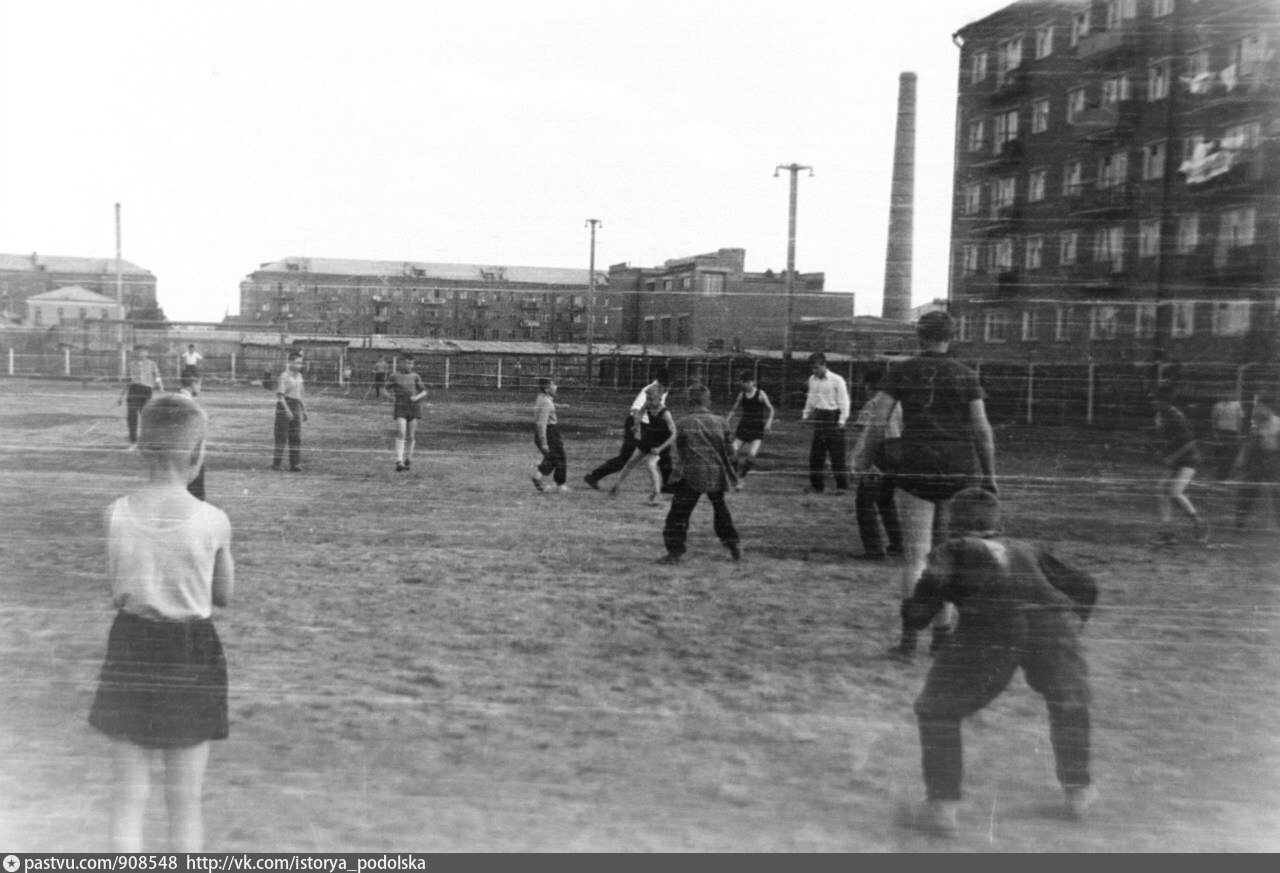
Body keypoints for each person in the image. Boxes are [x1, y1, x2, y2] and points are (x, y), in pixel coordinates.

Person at [904, 487, 1097, 837]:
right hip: (1051, 624)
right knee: (1068, 701)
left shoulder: (952, 549)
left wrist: (913, 601)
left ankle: (941, 809)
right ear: (998, 524)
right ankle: (1078, 794)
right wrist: (1072, 630)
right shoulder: (1026, 548)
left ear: (952, 524)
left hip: (990, 626)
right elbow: (1085, 585)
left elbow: (918, 616)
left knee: (937, 709)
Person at [88, 394, 235, 851]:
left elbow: (117, 589)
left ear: (141, 447)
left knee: (128, 797)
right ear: (198, 451)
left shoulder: (116, 513)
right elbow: (223, 595)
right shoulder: (214, 520)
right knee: (184, 800)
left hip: (131, 646)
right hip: (190, 654)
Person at [874, 311, 997, 659]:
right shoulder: (966, 374)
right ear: (951, 337)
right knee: (950, 558)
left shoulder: (902, 371)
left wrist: (863, 460)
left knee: (916, 558)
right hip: (958, 471)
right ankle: (943, 638)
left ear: (919, 336)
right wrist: (990, 476)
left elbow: (878, 422)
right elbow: (981, 429)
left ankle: (909, 642)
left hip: (916, 468)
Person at [658, 384, 741, 564]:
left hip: (693, 473)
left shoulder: (683, 423)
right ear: (708, 401)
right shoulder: (721, 422)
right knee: (720, 510)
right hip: (716, 473)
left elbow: (681, 451)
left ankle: (674, 552)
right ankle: (733, 544)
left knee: (678, 514)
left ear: (689, 401)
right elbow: (731, 453)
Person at [583, 369, 671, 491]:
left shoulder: (662, 390)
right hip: (636, 424)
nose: (669, 389)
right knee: (624, 459)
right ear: (661, 382)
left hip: (649, 426)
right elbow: (636, 409)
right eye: (668, 385)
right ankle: (593, 477)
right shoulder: (649, 390)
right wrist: (637, 429)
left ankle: (667, 485)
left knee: (664, 453)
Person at [849, 368, 904, 561]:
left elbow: (866, 435)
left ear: (869, 386)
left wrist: (856, 460)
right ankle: (898, 544)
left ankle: (874, 550)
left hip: (880, 453)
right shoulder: (899, 403)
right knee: (886, 500)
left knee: (864, 501)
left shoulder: (872, 404)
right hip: (899, 452)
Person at [1153, 389, 1208, 544]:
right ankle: (1167, 532)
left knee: (1175, 491)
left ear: (1163, 401)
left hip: (1189, 459)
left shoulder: (1175, 416)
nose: (1154, 403)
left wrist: (1172, 456)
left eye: (1156, 400)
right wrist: (1163, 452)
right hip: (1178, 458)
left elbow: (1190, 442)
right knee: (1160, 489)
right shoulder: (1164, 414)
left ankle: (1199, 523)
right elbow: (1170, 439)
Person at [610, 385, 677, 506]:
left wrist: (660, 448)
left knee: (650, 464)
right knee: (631, 462)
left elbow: (674, 434)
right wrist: (636, 424)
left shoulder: (666, 413)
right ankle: (617, 486)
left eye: (651, 399)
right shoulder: (648, 405)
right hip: (650, 438)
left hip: (662, 443)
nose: (648, 401)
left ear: (659, 399)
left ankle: (657, 494)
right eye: (647, 398)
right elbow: (640, 412)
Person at [801, 352, 851, 494]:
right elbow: (810, 398)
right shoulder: (812, 379)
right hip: (820, 418)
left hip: (834, 418)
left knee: (837, 455)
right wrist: (806, 415)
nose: (814, 370)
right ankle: (817, 486)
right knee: (816, 455)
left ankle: (841, 486)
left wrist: (842, 420)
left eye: (816, 367)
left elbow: (844, 401)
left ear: (824, 365)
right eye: (812, 368)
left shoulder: (837, 380)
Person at [1231, 394, 1280, 534]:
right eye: (1257, 407)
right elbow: (1248, 445)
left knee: (1277, 493)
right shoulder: (1257, 424)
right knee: (1247, 490)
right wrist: (1240, 460)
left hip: (1274, 460)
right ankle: (1240, 524)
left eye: (1260, 407)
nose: (1257, 410)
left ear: (1268, 408)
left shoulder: (1278, 424)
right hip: (1257, 461)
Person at [725, 369, 775, 484]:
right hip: (743, 427)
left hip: (757, 428)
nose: (746, 385)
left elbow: (771, 410)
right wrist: (726, 421)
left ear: (753, 381)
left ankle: (742, 477)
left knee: (751, 457)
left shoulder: (760, 394)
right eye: (743, 382)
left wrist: (769, 422)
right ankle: (736, 473)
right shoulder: (741, 395)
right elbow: (733, 410)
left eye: (748, 382)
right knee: (732, 454)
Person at [117, 345, 164, 450]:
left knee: (146, 417)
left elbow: (157, 376)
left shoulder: (152, 364)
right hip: (133, 390)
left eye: (143, 351)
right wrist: (121, 397)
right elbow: (127, 382)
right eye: (138, 351)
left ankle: (146, 442)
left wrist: (161, 387)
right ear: (135, 352)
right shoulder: (130, 365)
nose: (140, 353)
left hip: (146, 391)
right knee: (132, 416)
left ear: (147, 353)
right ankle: (133, 442)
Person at [387, 354, 428, 472]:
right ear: (401, 363)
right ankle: (399, 461)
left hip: (413, 407)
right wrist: (391, 397)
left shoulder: (415, 376)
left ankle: (408, 459)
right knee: (401, 432)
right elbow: (385, 389)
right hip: (400, 406)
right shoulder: (394, 376)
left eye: (412, 363)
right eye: (408, 363)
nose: (410, 365)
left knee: (411, 435)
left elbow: (424, 391)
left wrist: (416, 397)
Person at [531, 377, 569, 493]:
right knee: (560, 457)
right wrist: (544, 443)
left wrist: (560, 406)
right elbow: (542, 424)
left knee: (553, 458)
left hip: (544, 432)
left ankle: (538, 476)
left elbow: (546, 407)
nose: (556, 387)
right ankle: (560, 485)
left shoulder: (541, 398)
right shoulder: (546, 403)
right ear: (547, 388)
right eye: (553, 384)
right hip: (550, 433)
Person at [272, 351, 306, 472]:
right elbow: (280, 396)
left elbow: (300, 395)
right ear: (290, 362)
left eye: (301, 363)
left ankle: (295, 464)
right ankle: (276, 464)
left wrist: (304, 411)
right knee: (281, 436)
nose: (299, 365)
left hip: (296, 405)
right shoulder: (284, 376)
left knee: (295, 436)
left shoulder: (300, 376)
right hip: (284, 406)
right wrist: (287, 411)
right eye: (297, 362)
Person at [177, 375, 207, 501]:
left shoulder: (176, 399)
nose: (200, 388)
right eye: (200, 384)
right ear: (194, 384)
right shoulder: (188, 404)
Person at [1210, 395, 1247, 479]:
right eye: (1226, 392)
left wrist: (1239, 433)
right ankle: (1220, 475)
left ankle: (1226, 474)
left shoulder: (1237, 405)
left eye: (1230, 392)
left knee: (1231, 454)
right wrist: (1215, 433)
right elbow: (1214, 420)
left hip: (1233, 432)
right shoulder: (1217, 405)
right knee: (1222, 454)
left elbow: (1239, 420)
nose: (1228, 395)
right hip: (1221, 432)